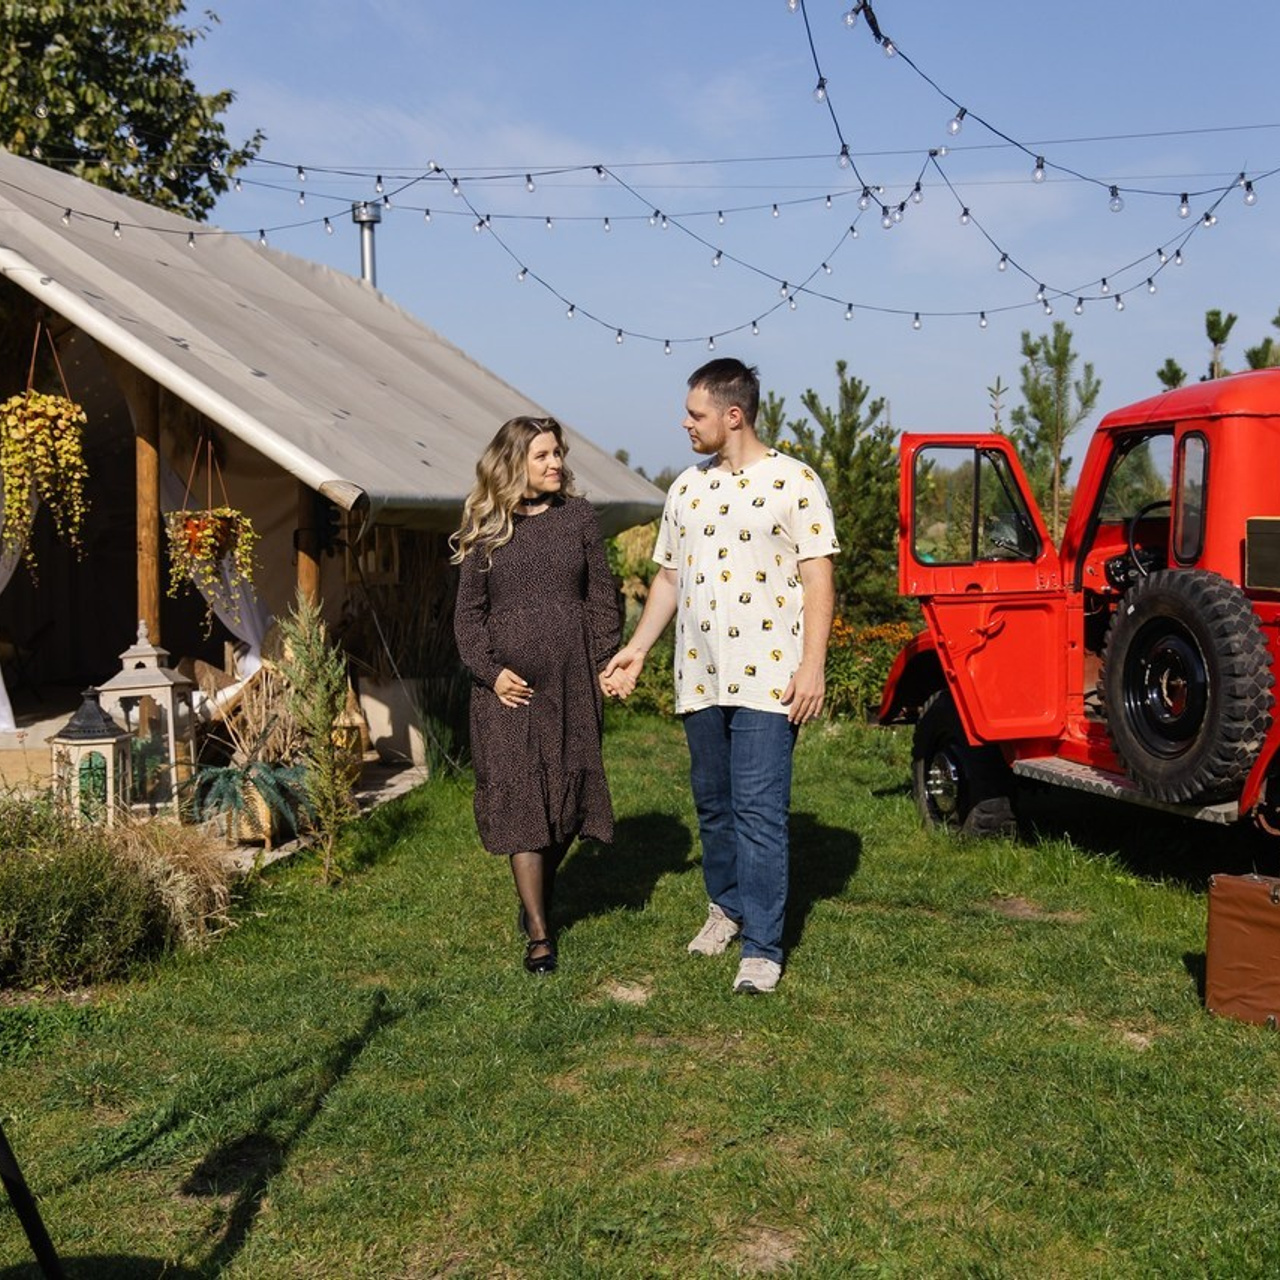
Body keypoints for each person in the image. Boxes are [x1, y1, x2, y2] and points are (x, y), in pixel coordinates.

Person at [602, 359, 838, 995]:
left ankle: (762, 947)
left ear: (734, 416)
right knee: (714, 805)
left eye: (695, 413)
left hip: (771, 678)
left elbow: (819, 576)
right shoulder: (686, 488)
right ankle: (726, 908)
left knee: (758, 810)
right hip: (700, 676)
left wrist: (813, 666)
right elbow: (670, 578)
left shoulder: (795, 482)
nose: (684, 423)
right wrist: (638, 649)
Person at [452, 416, 620, 975]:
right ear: (513, 463)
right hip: (509, 693)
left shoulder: (578, 517)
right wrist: (490, 672)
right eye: (542, 455)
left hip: (572, 682)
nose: (555, 464)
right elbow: (468, 615)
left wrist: (604, 661)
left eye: (557, 454)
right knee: (524, 798)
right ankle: (541, 934)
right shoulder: (486, 526)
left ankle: (537, 896)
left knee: (567, 801)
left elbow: (601, 596)